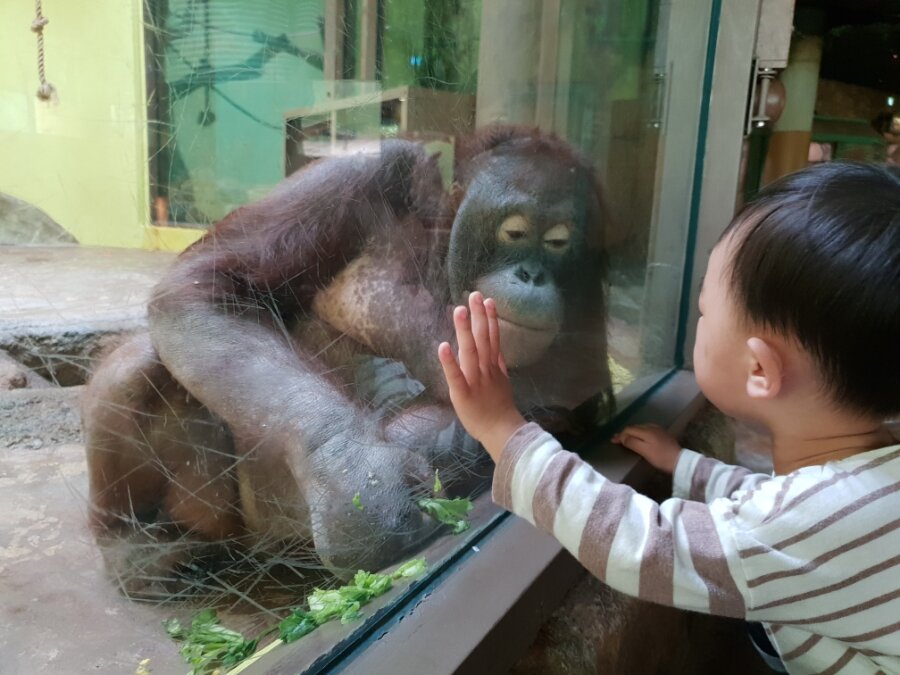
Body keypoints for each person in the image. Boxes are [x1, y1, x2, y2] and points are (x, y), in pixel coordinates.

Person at [437, 162, 900, 675]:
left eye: (704, 312)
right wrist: (685, 465)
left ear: (759, 370)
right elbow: (770, 505)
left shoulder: (807, 525)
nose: (697, 321)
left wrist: (504, 431)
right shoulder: (866, 480)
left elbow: (647, 546)